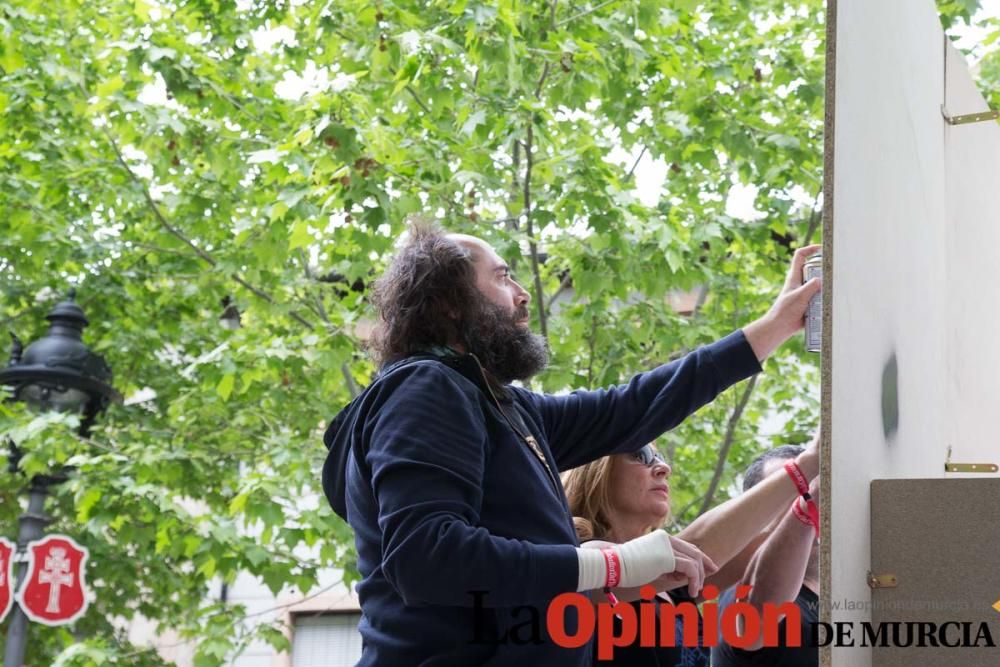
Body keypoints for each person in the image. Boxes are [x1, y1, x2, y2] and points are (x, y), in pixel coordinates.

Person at [321, 223, 822, 665]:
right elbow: (426, 557)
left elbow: (634, 406)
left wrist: (777, 325)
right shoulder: (428, 387)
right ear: (450, 304)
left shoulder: (508, 409)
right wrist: (608, 564)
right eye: (502, 276)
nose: (521, 294)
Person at [562, 433, 819, 666]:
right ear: (595, 471)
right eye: (641, 455)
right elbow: (699, 546)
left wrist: (811, 494)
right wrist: (808, 463)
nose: (664, 468)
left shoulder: (674, 592)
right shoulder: (583, 559)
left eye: (660, 457)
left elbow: (772, 538)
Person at [711, 446, 820, 666]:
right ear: (757, 516)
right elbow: (759, 617)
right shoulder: (743, 592)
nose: (807, 501)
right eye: (794, 495)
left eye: (812, 491)